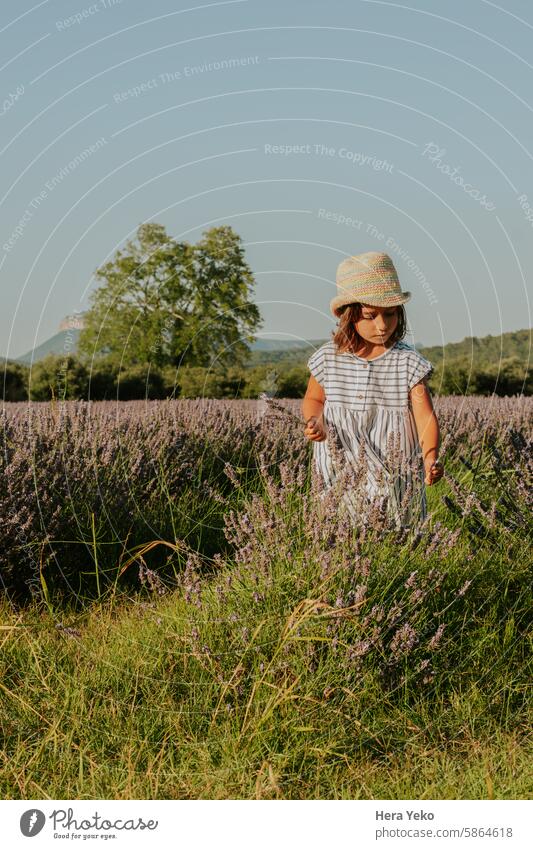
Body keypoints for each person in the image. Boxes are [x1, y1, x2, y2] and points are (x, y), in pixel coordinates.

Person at [302, 251, 444, 530]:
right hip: (339, 461)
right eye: (371, 315)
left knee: (397, 527)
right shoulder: (330, 357)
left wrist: (430, 456)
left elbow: (424, 416)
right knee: (338, 528)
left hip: (394, 468)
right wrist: (315, 420)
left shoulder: (407, 361)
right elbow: (314, 398)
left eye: (390, 314)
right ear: (349, 315)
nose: (382, 325)